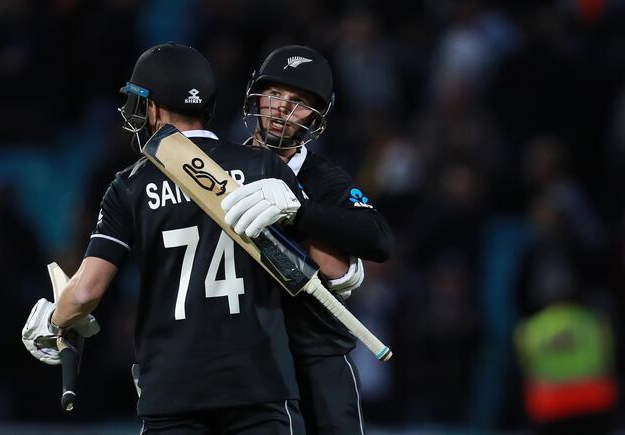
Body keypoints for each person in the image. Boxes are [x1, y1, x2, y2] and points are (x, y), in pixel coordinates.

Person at [21, 43, 308, 434]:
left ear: (153, 108)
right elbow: (321, 269)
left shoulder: (131, 185)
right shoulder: (264, 166)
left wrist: (54, 319)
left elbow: (86, 292)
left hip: (174, 390)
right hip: (259, 384)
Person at [221, 45, 394, 434]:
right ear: (257, 96)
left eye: (297, 101)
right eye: (275, 94)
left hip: (313, 350)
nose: (281, 108)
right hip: (240, 353)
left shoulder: (324, 179)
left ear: (317, 116)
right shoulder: (219, 168)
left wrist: (298, 210)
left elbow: (379, 239)